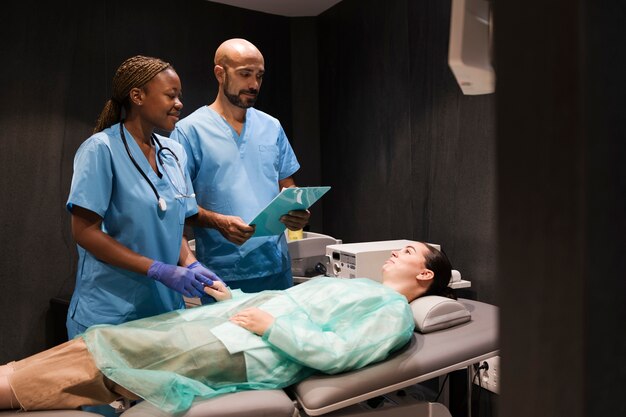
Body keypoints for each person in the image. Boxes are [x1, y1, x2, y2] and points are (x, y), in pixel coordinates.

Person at [0, 242, 453, 414]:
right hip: (229, 326)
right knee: (107, 346)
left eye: (408, 251)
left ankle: (14, 383)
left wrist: (271, 327)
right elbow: (283, 302)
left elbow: (336, 352)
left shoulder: (391, 312)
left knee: (108, 358)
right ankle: (14, 378)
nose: (396, 252)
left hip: (247, 349)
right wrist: (230, 298)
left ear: (426, 275)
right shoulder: (355, 288)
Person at [170, 38, 310, 294]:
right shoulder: (188, 132)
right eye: (245, 74)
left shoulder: (272, 126)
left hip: (277, 270)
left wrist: (297, 213)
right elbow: (177, 209)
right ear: (220, 73)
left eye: (259, 76)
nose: (254, 84)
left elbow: (287, 187)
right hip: (222, 275)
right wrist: (218, 222)